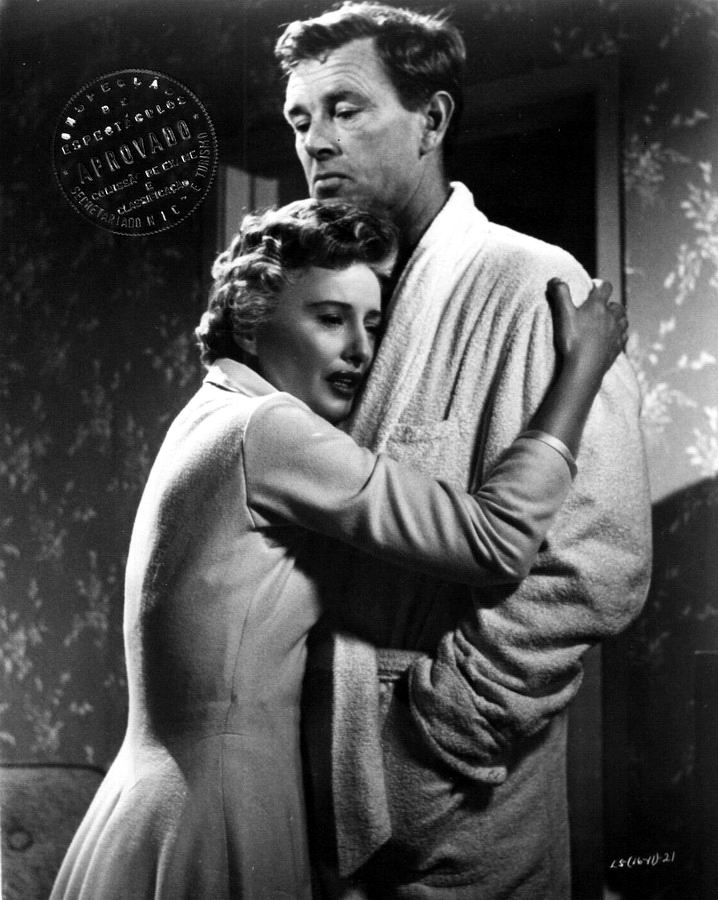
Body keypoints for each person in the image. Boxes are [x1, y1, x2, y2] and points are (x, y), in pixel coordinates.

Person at [50, 198, 627, 900]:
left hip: (153, 797)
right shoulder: (269, 430)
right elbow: (493, 540)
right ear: (253, 321)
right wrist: (580, 372)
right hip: (224, 809)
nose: (359, 349)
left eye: (373, 324)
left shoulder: (208, 412)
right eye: (330, 318)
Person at [275, 4, 653, 898]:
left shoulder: (534, 286)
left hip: (457, 799)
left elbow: (597, 564)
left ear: (432, 120)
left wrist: (435, 738)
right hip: (306, 787)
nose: (315, 142)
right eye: (299, 119)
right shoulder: (328, 298)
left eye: (345, 109)